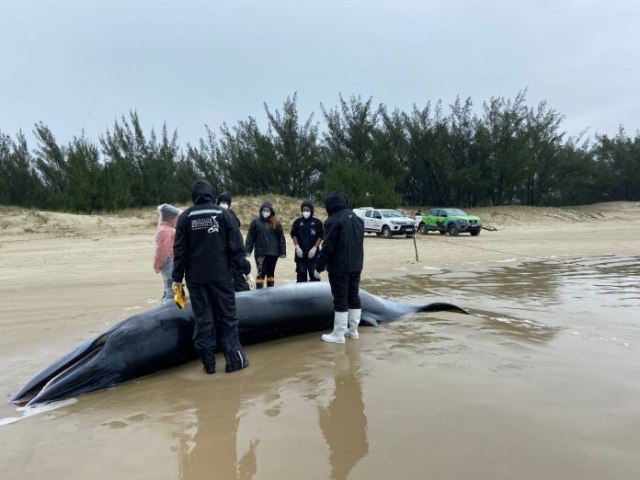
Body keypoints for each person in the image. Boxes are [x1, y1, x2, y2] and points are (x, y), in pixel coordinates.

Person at [172, 179, 251, 374]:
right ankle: (234, 362)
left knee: (203, 319)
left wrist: (176, 277)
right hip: (221, 277)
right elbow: (236, 246)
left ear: (194, 196)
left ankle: (209, 365)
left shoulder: (185, 217)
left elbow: (179, 251)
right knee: (227, 318)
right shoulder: (223, 214)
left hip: (196, 280)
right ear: (212, 195)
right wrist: (245, 268)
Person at [314, 192, 365, 343]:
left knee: (340, 298)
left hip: (339, 267)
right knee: (353, 296)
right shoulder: (357, 219)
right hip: (356, 265)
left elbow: (328, 247)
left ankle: (339, 334)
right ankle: (353, 330)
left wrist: (318, 266)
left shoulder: (333, 221)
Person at [245, 200, 286, 288]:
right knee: (261, 273)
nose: (266, 212)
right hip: (260, 253)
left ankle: (270, 292)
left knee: (271, 273)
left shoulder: (276, 223)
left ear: (271, 211)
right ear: (261, 210)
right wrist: (248, 250)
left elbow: (281, 238)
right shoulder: (255, 222)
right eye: (264, 210)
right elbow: (250, 237)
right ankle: (259, 292)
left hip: (273, 253)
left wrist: (282, 252)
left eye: (268, 210)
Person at [217, 192, 251, 292]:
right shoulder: (214, 215)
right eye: (222, 202)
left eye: (226, 203)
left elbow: (237, 242)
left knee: (240, 285)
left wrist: (245, 267)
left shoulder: (232, 217)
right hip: (220, 259)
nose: (224, 204)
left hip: (234, 258)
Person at [153, 203, 182, 304]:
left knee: (168, 287)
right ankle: (174, 308)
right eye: (176, 218)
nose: (177, 221)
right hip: (170, 264)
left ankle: (165, 305)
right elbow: (161, 251)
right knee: (173, 289)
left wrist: (157, 265)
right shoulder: (168, 231)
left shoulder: (162, 229)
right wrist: (157, 265)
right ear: (170, 218)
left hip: (166, 265)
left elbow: (158, 251)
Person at [290, 199, 324, 283]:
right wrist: (297, 247)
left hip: (314, 256)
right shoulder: (297, 222)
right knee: (301, 276)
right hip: (300, 255)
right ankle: (301, 295)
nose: (305, 212)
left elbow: (320, 236)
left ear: (311, 210)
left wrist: (315, 248)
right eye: (303, 210)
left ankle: (315, 294)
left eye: (307, 210)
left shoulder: (317, 222)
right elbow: (293, 235)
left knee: (315, 276)